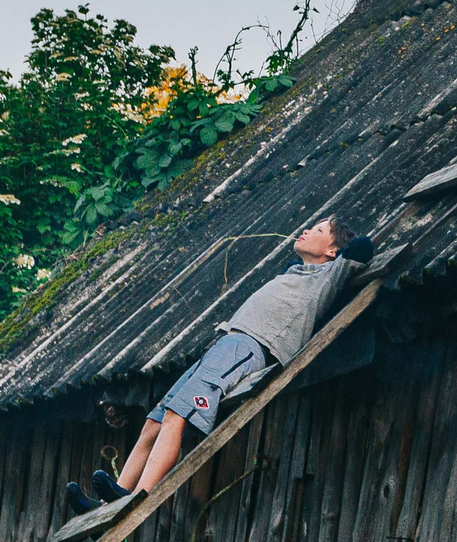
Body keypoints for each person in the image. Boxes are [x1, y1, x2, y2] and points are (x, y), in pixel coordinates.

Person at [66, 217, 376, 513]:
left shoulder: (328, 275)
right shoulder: (294, 272)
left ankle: (139, 496)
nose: (307, 230)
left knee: (178, 415)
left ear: (333, 251)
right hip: (225, 345)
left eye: (319, 229)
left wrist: (339, 251)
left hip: (251, 346)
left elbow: (362, 247)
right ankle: (111, 502)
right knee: (154, 421)